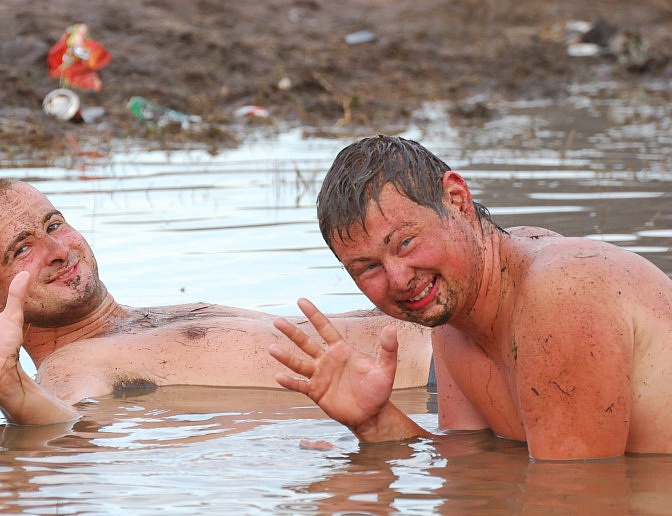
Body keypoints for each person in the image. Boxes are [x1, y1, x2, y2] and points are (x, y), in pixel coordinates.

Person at [0, 178, 432, 426]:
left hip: (451, 336)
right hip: (436, 379)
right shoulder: (69, 367)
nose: (57, 249)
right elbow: (62, 426)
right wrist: (11, 391)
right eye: (22, 249)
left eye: (54, 224)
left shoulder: (138, 320)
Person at [268, 135, 672, 461]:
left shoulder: (561, 291)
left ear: (457, 200)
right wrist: (374, 425)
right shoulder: (454, 313)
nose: (399, 279)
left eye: (406, 242)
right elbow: (470, 469)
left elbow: (571, 505)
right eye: (368, 268)